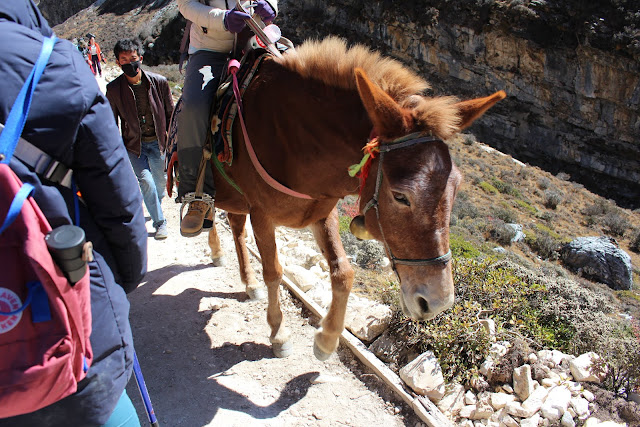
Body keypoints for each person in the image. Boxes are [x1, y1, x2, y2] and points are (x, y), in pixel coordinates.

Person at [0, 1, 147, 426]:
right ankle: (197, 182)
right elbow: (118, 201)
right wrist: (122, 280)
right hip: (69, 341)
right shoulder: (54, 60)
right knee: (197, 101)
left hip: (254, 41)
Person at [176, 0, 277, 237]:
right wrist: (222, 19)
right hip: (209, 50)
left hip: (255, 42)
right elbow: (185, 4)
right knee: (194, 107)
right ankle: (196, 194)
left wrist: (271, 7)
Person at [106, 39, 174, 240]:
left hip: (159, 143)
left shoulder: (159, 82)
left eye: (133, 58)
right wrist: (116, 149)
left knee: (160, 184)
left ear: (140, 59)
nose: (129, 63)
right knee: (146, 182)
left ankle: (154, 203)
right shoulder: (114, 89)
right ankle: (160, 223)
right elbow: (111, 121)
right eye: (124, 60)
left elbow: (170, 113)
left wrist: (172, 140)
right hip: (134, 146)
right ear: (118, 63)